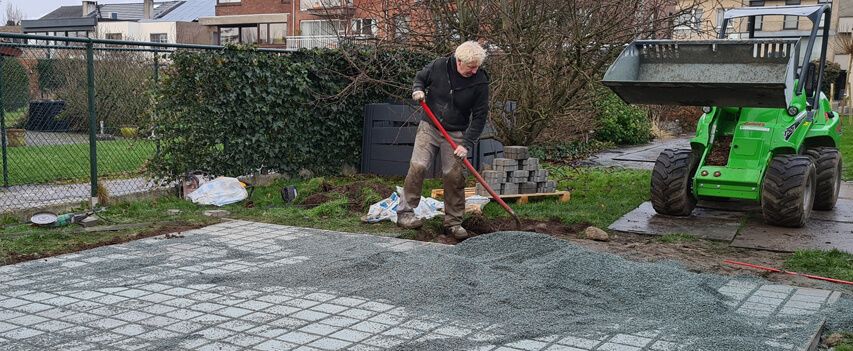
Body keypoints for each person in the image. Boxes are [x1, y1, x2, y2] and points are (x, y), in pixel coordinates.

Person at [396, 41, 490, 240]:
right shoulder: (440, 66)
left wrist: (466, 145)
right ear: (459, 60)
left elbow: (480, 117)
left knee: (454, 174)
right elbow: (420, 78)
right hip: (429, 127)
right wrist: (418, 90)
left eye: (477, 67)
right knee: (418, 165)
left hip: (456, 133)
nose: (474, 71)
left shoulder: (480, 81)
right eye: (470, 67)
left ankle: (453, 223)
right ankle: (405, 213)